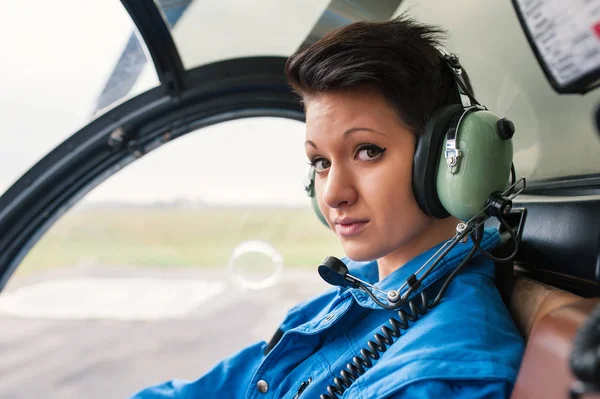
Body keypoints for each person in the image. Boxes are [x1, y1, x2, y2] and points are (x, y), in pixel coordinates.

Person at [130, 15, 524, 399]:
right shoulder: (356, 294)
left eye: (368, 151)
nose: (333, 194)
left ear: (445, 162)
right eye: (320, 162)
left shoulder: (439, 374)